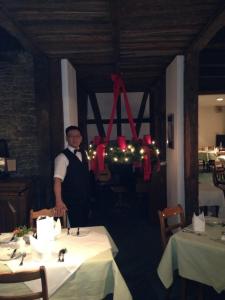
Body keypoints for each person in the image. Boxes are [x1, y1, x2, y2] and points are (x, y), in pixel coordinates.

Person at [53, 125, 90, 227]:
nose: (75, 139)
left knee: (84, 229)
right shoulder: (62, 157)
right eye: (71, 136)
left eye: (77, 136)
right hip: (71, 203)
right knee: (73, 231)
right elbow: (57, 181)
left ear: (81, 138)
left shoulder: (84, 153)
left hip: (84, 200)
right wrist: (59, 202)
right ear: (67, 138)